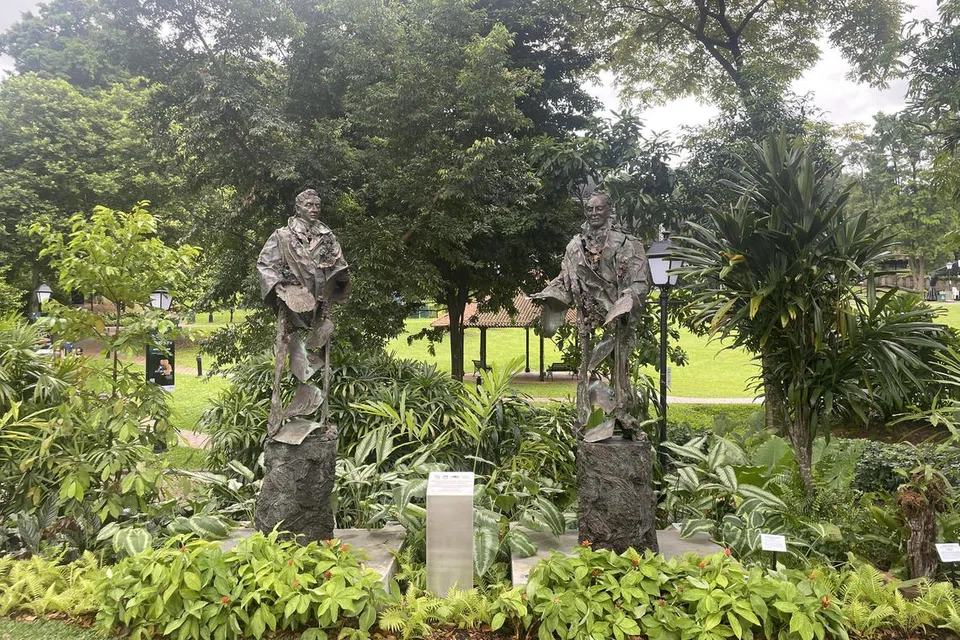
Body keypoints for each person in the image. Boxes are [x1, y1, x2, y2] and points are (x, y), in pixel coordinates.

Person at [530, 192, 651, 441]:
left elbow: (641, 282)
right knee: (586, 368)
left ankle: (623, 416)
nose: (593, 213)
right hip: (587, 318)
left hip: (618, 319)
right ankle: (585, 421)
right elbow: (565, 280)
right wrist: (550, 293)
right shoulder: (575, 247)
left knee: (620, 369)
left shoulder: (628, 243)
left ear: (609, 209)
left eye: (598, 208)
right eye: (589, 209)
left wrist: (627, 299)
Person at [257, 189, 350, 444]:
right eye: (309, 205)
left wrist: (341, 279)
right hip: (292, 303)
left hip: (321, 304)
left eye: (317, 205)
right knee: (285, 353)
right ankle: (276, 422)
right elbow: (265, 265)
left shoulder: (328, 237)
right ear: (298, 208)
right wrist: (279, 288)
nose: (314, 209)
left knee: (323, 357)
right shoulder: (283, 236)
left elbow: (339, 266)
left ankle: (322, 418)